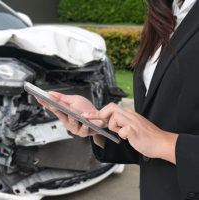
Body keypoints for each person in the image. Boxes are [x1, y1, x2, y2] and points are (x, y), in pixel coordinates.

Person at [36, 0, 199, 199]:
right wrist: (100, 128)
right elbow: (152, 133)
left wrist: (164, 143)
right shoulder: (163, 12)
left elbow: (157, 139)